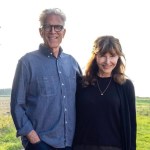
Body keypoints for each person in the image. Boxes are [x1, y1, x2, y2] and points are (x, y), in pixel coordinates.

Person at [11, 8, 82, 150]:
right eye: (48, 26)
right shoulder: (27, 63)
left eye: (58, 27)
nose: (53, 31)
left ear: (64, 32)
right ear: (41, 31)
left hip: (71, 143)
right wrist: (32, 137)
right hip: (40, 143)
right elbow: (17, 105)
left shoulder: (72, 63)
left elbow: (85, 96)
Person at [73, 35, 136, 150]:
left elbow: (131, 126)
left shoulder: (126, 86)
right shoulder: (80, 83)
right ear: (95, 56)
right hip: (81, 147)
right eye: (103, 56)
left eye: (112, 56)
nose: (107, 61)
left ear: (118, 58)